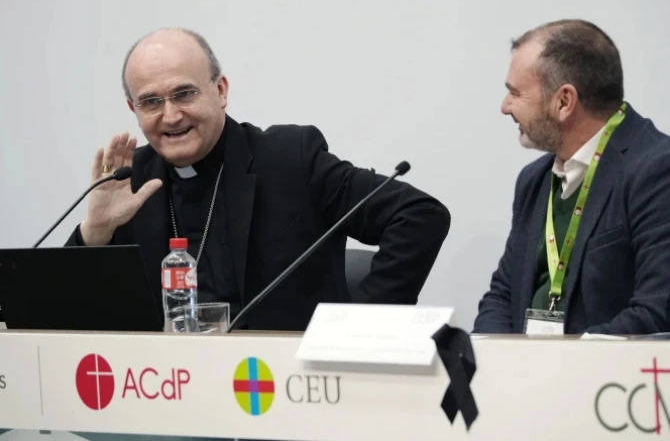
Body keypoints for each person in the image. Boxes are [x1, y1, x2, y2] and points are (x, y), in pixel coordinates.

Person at [65, 28, 451, 331]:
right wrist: (94, 233)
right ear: (133, 109)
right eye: (151, 102)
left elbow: (419, 215)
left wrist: (360, 329)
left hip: (283, 386)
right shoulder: (129, 181)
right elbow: (68, 317)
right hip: (169, 387)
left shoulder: (289, 159)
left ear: (220, 90)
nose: (171, 116)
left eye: (184, 94)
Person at [473, 19, 670, 335]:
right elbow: (502, 295)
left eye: (515, 93)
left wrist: (565, 360)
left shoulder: (656, 170)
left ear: (564, 101)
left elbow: (657, 311)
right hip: (523, 364)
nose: (505, 107)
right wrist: (490, 355)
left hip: (602, 367)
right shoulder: (533, 180)